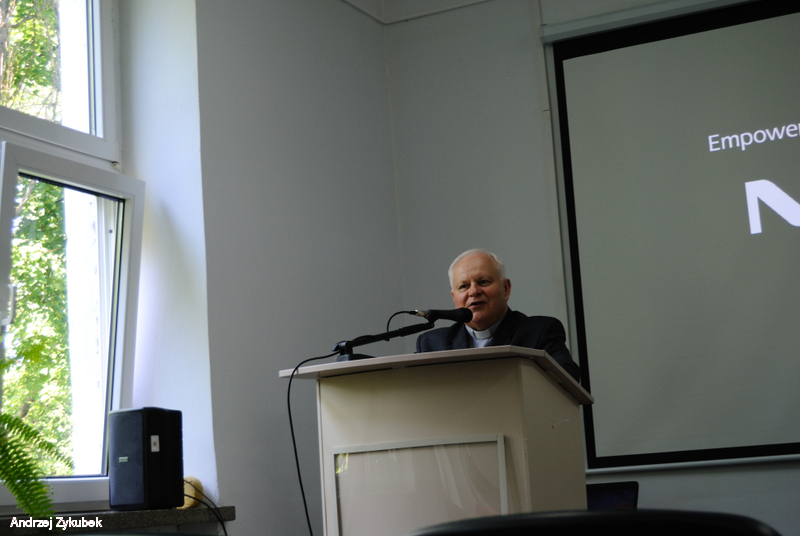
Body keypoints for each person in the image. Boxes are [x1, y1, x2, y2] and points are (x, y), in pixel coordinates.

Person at [415, 249, 580, 382]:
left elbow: (567, 378)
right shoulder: (432, 345)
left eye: (483, 282)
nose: (474, 291)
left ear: (506, 289)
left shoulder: (539, 333)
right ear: (454, 297)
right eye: (464, 286)